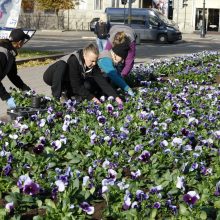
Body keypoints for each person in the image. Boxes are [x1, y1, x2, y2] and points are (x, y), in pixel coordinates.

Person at [43, 43, 122, 105]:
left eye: (96, 61)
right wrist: (93, 98)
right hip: (52, 77)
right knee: (62, 64)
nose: (94, 63)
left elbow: (102, 81)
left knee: (88, 84)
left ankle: (67, 95)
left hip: (66, 81)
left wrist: (116, 97)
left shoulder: (92, 64)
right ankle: (56, 97)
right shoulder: (74, 60)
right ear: (84, 55)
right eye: (92, 61)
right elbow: (76, 86)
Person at [0, 28, 31, 109]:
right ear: (20, 42)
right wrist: (6, 97)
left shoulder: (10, 53)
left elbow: (13, 75)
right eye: (24, 41)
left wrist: (25, 88)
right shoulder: (2, 54)